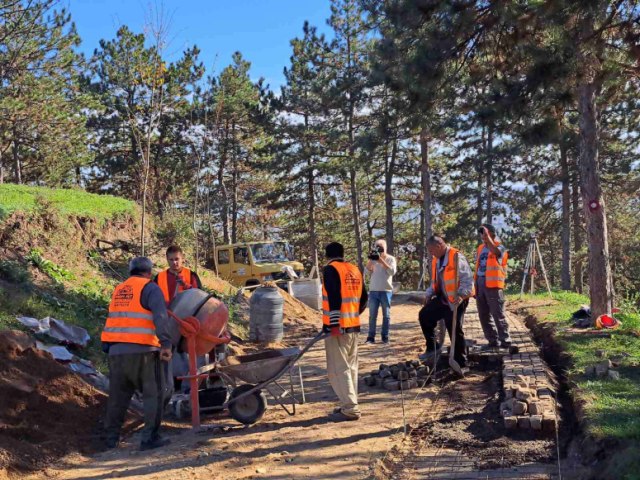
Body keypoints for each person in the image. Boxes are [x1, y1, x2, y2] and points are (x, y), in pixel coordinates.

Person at [101, 257, 179, 451]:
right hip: (144, 352)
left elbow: (114, 318)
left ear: (131, 271)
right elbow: (160, 317)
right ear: (149, 272)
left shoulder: (119, 290)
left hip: (116, 353)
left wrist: (107, 345)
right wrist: (166, 343)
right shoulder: (151, 288)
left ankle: (110, 440)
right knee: (156, 394)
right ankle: (149, 438)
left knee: (118, 399)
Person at [321, 242, 368, 421]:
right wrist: (351, 315)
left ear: (328, 256)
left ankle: (350, 408)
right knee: (350, 367)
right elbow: (364, 298)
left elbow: (334, 296)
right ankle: (348, 403)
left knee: (338, 369)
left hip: (338, 328)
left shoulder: (331, 269)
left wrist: (334, 325)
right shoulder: (354, 269)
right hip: (353, 325)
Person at [418, 236, 474, 370]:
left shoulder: (456, 257)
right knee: (424, 316)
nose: (431, 254)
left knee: (454, 329)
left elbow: (468, 280)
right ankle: (433, 347)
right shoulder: (436, 260)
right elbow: (435, 281)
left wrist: (461, 295)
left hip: (457, 299)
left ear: (439, 246)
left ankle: (461, 362)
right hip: (443, 298)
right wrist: (429, 293)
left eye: (432, 250)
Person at [474, 224, 512, 350]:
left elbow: (495, 252)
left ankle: (505, 341)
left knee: (497, 314)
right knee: (483, 315)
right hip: (480, 283)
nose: (482, 236)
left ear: (492, 234)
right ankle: (492, 341)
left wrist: (488, 238)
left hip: (494, 286)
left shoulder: (500, 246)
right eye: (482, 234)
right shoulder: (480, 248)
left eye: (485, 233)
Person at [364, 239, 397, 344]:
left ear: (385, 248)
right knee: (372, 315)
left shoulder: (391, 259)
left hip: (386, 290)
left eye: (381, 247)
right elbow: (366, 272)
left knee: (386, 315)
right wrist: (371, 259)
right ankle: (371, 337)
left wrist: (381, 261)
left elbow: (392, 272)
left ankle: (385, 336)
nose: (379, 249)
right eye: (377, 247)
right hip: (374, 290)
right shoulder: (373, 259)